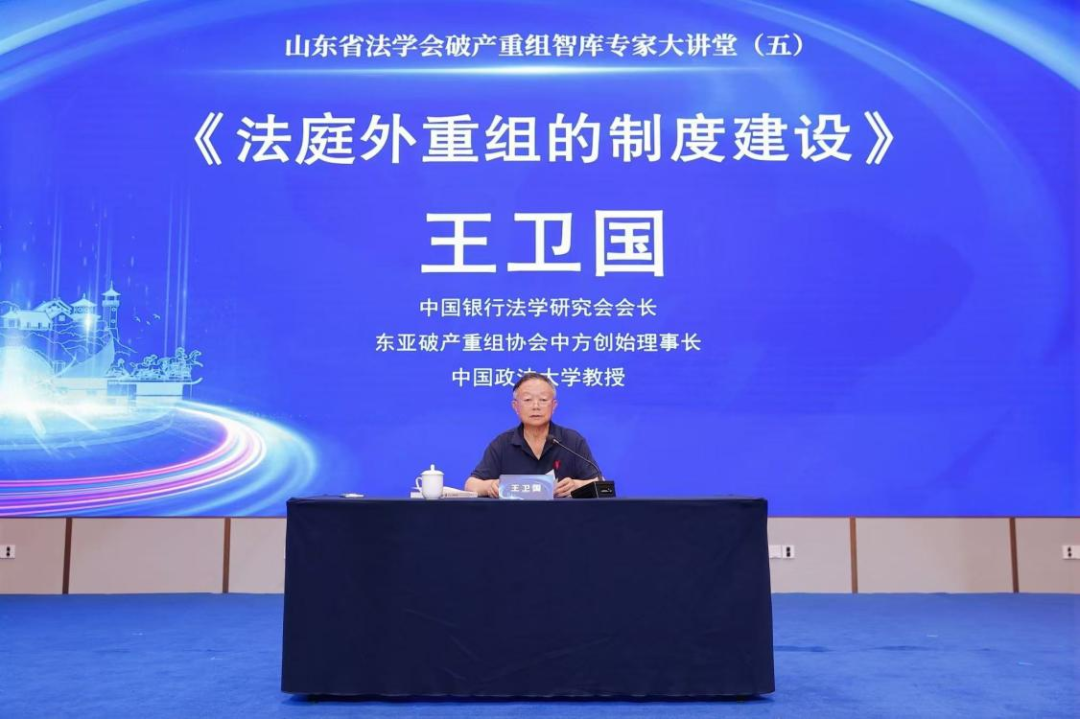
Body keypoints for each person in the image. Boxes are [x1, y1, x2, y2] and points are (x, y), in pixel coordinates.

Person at [465, 372, 601, 498]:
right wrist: (490, 486)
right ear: (515, 407)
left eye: (543, 399)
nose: (536, 406)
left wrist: (577, 485)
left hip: (562, 515)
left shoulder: (572, 441)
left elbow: (601, 485)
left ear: (554, 406)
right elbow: (470, 484)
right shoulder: (502, 443)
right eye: (528, 399)